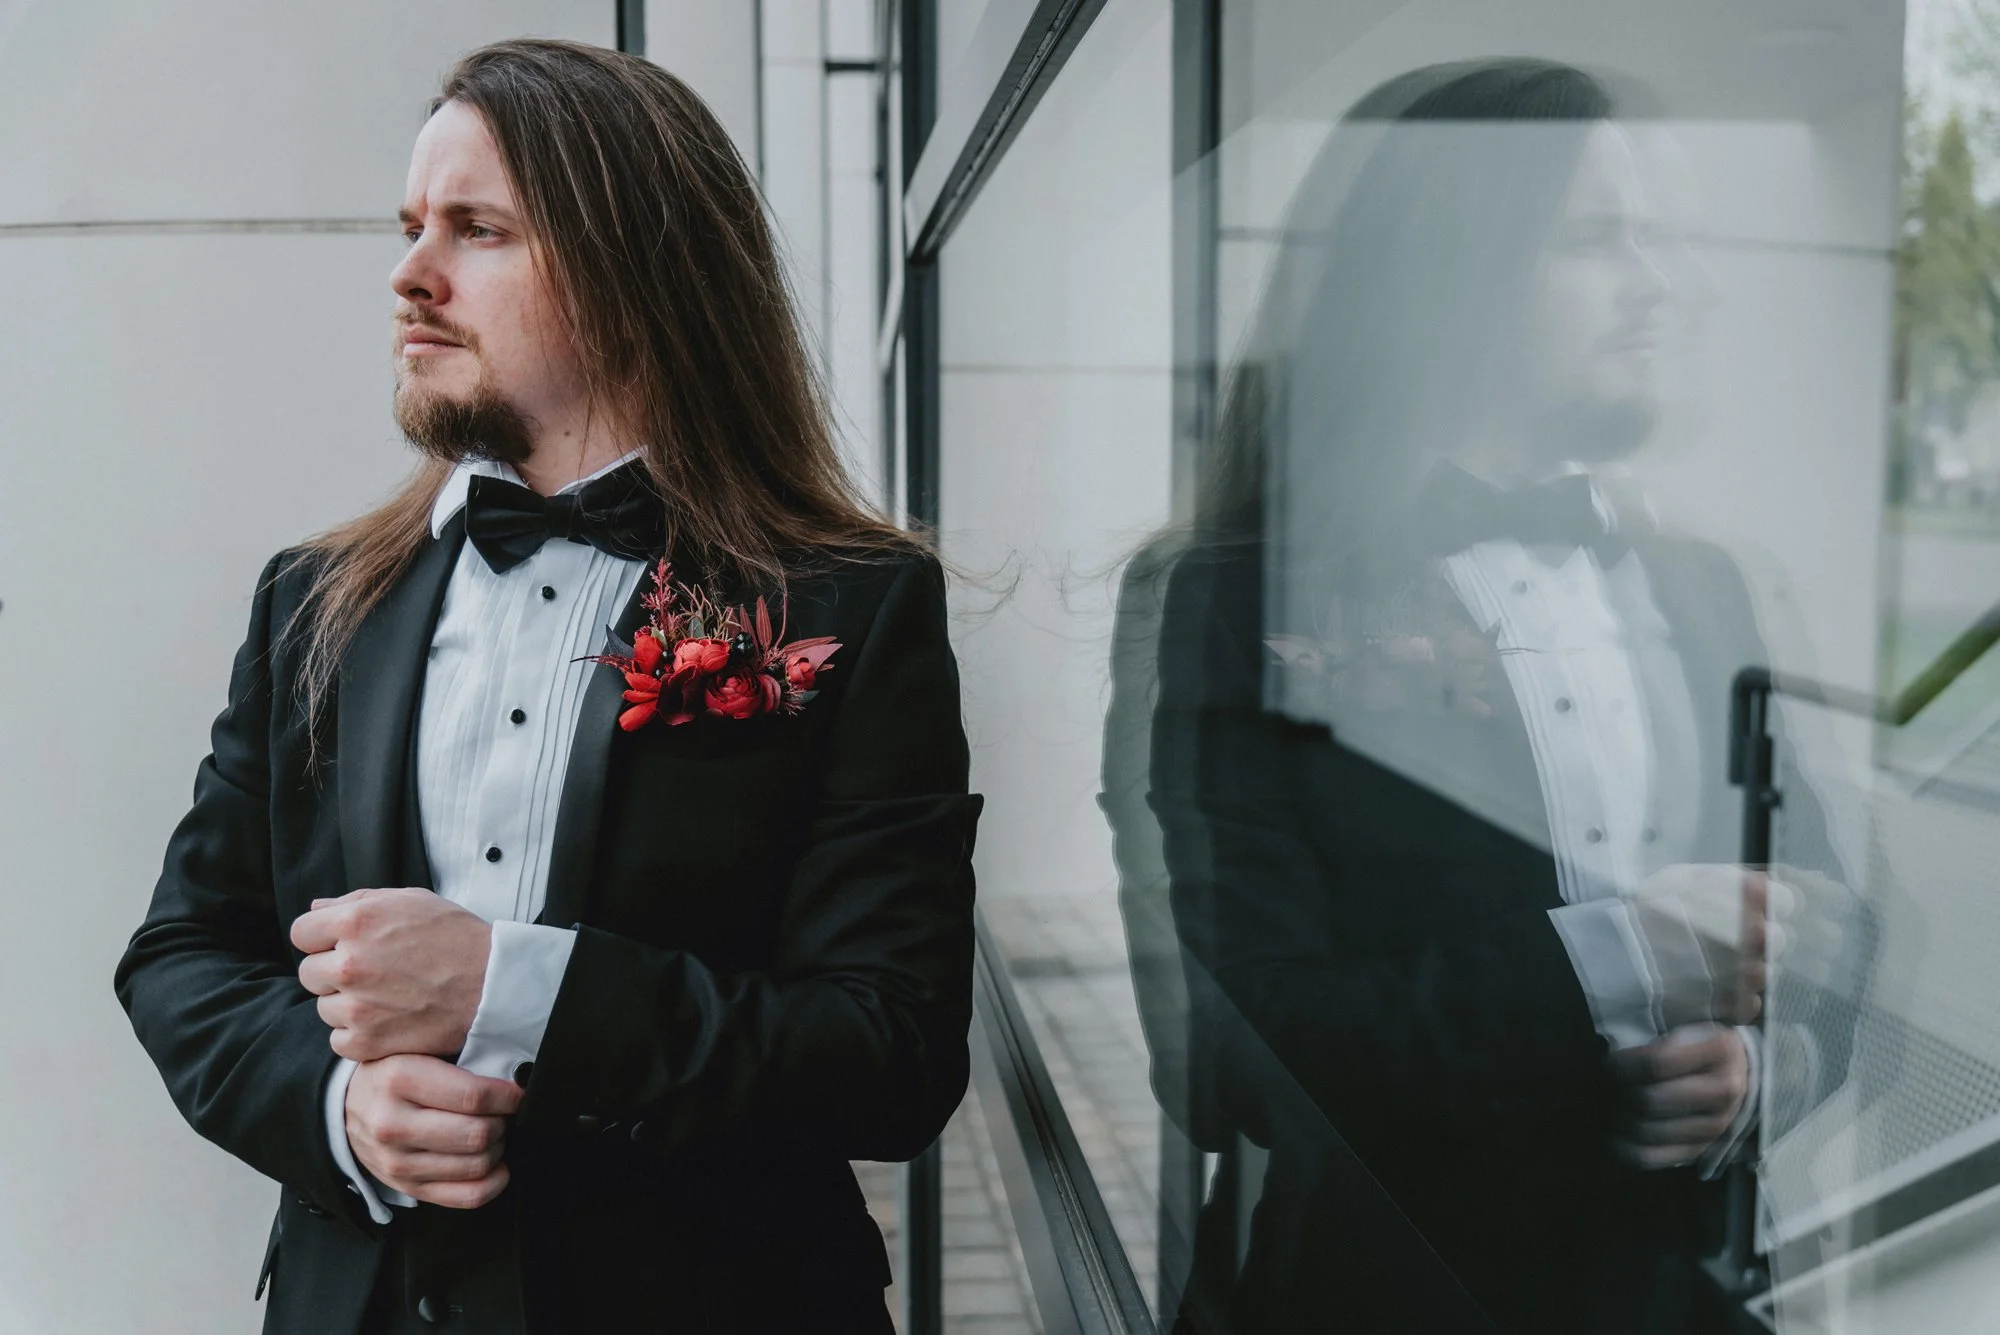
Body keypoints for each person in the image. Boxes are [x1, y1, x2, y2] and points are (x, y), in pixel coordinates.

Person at [114, 38, 981, 1335]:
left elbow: (892, 1057)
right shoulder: (313, 601)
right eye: (413, 227)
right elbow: (184, 951)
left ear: (643, 276)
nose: (410, 274)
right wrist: (336, 1105)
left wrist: (512, 990)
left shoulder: (850, 605)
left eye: (477, 229)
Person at [1139, 59, 1866, 1332]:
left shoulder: (1705, 588)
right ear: (1449, 266)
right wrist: (1621, 956)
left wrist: (1770, 1072)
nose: (1668, 286)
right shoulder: (1235, 598)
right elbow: (1231, 1060)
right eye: (1597, 240)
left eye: (1666, 241)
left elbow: (1842, 929)